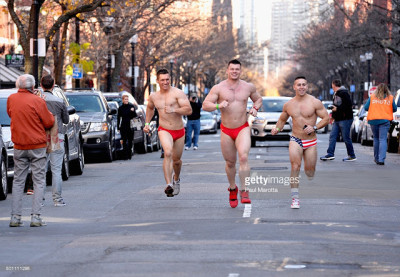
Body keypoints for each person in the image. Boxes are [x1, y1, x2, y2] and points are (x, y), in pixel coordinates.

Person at [202, 59, 262, 208]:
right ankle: (233, 188)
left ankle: (245, 190)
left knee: (243, 157)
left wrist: (255, 108)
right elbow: (205, 105)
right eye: (232, 69)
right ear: (227, 70)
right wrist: (218, 105)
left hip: (242, 127)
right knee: (230, 162)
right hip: (226, 130)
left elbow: (259, 99)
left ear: (240, 71)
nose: (234, 71)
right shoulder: (219, 88)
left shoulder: (248, 87)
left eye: (237, 69)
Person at [271, 76, 329, 209]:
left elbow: (326, 118)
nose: (301, 87)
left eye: (304, 84)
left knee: (309, 171)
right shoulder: (289, 105)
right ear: (294, 87)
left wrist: (314, 127)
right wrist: (277, 128)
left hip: (311, 141)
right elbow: (282, 120)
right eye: (299, 85)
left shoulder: (315, 102)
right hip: (295, 139)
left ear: (307, 86)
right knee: (295, 167)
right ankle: (295, 198)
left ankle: (309, 171)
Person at [7, 74, 55, 227]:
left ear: (18, 86)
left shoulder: (11, 99)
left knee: (18, 181)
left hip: (19, 146)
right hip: (37, 146)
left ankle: (15, 217)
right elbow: (49, 121)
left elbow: (10, 114)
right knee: (39, 181)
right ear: (33, 87)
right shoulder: (38, 101)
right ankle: (35, 217)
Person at [144, 69, 192, 197]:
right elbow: (150, 109)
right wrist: (147, 124)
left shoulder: (178, 93)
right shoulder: (154, 96)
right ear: (158, 81)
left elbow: (188, 110)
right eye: (163, 80)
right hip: (164, 129)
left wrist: (174, 109)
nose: (165, 82)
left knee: (177, 161)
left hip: (179, 131)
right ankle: (169, 184)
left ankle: (176, 178)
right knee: (168, 152)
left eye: (167, 79)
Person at [41, 75, 69, 207]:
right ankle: (57, 199)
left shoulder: (37, 101)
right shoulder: (59, 101)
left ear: (41, 85)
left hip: (40, 137)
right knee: (56, 170)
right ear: (53, 86)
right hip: (57, 136)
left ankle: (39, 199)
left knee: (40, 169)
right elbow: (67, 120)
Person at [320, 79, 356, 162]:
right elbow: (336, 106)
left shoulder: (344, 93)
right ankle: (330, 154)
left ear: (333, 85)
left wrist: (337, 109)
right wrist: (333, 116)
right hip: (337, 119)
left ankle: (352, 155)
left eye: (332, 86)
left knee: (346, 137)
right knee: (332, 136)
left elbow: (348, 106)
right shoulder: (336, 93)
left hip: (345, 119)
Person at [364, 83, 397, 165]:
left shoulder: (372, 97)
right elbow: (395, 109)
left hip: (373, 120)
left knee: (376, 139)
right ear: (387, 90)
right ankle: (381, 159)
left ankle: (376, 158)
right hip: (385, 120)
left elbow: (366, 108)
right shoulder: (390, 98)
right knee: (383, 139)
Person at [117, 94, 136, 160]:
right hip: (123, 125)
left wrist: (133, 111)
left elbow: (134, 116)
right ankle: (125, 155)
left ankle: (129, 154)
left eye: (127, 99)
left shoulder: (131, 106)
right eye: (125, 99)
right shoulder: (120, 108)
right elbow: (118, 118)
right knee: (124, 140)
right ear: (122, 100)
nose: (126, 100)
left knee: (130, 140)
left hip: (130, 125)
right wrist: (118, 127)